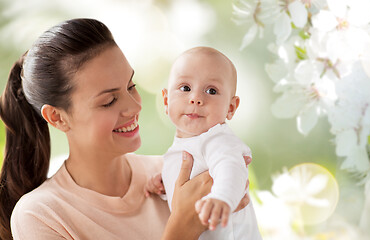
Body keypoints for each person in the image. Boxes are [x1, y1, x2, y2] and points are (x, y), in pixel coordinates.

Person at [0, 18, 250, 240]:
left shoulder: (176, 174)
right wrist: (183, 229)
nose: (133, 106)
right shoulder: (42, 215)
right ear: (57, 117)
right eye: (108, 101)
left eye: (131, 86)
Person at [158, 47, 262, 239]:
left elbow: (230, 168)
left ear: (230, 108)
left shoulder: (218, 140)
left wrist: (222, 197)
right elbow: (186, 184)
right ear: (166, 100)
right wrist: (164, 181)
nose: (196, 98)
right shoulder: (184, 145)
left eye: (211, 91)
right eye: (185, 88)